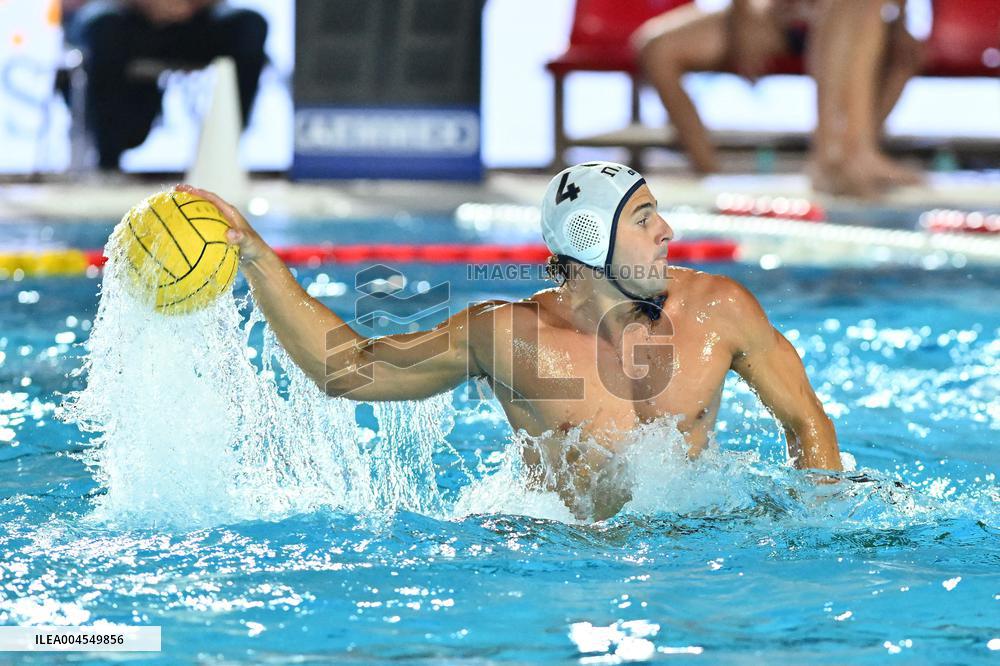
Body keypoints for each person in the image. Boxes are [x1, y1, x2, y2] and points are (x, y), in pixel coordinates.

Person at [177, 161, 843, 521]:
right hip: (569, 563)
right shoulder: (511, 337)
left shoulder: (719, 310)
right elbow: (350, 368)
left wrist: (820, 524)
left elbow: (807, 422)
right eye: (644, 219)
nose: (667, 231)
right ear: (590, 240)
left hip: (700, 555)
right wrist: (258, 259)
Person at [633, 0, 923, 196]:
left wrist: (901, 22)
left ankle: (851, 152)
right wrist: (744, 16)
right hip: (777, 15)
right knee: (658, 48)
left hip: (850, 18)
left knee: (882, 29)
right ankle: (712, 176)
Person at [68, 0, 267, 170]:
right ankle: (108, 160)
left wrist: (188, 5)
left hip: (192, 18)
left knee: (251, 25)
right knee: (103, 26)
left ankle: (224, 152)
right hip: (123, 18)